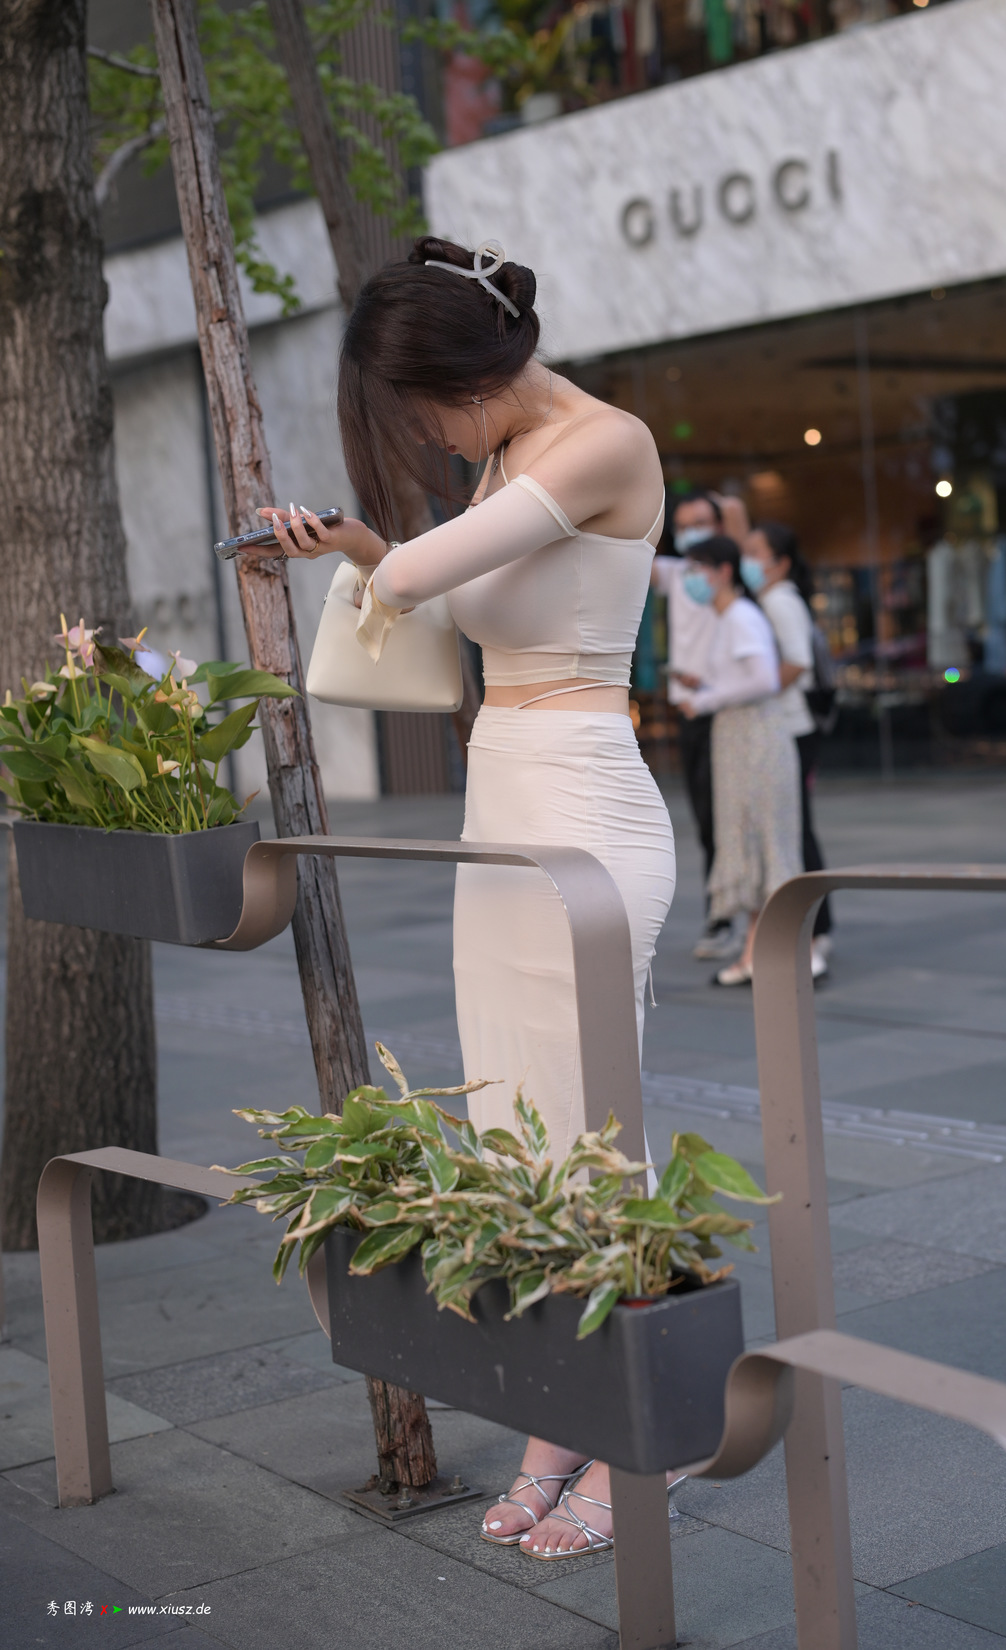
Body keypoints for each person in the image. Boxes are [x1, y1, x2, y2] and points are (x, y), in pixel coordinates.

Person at [251, 237, 676, 1558]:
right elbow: (445, 602)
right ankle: (561, 1422)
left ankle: (639, 1438)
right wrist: (354, 543)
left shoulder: (602, 443)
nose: (426, 434)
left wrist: (380, 554)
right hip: (504, 809)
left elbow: (420, 580)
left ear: (472, 375)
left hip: (586, 811)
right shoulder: (504, 460)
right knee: (516, 1130)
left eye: (424, 406)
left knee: (593, 1130)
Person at [679, 536, 801, 987]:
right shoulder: (729, 617)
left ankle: (771, 951)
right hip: (739, 739)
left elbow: (764, 679)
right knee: (750, 841)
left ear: (723, 571)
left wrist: (705, 699)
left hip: (755, 741)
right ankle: (757, 949)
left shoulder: (741, 616)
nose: (692, 580)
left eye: (699, 569)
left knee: (763, 841)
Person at [739, 522, 833, 978]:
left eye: (756, 552)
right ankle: (816, 927)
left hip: (791, 726)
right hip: (790, 725)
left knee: (794, 829)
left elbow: (798, 662)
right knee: (794, 826)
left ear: (781, 562)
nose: (749, 560)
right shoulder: (773, 598)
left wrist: (756, 693)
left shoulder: (779, 600)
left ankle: (816, 930)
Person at [652, 491, 743, 960]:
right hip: (691, 712)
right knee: (708, 820)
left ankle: (729, 917)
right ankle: (722, 913)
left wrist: (737, 513)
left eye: (702, 522)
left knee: (731, 819)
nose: (692, 533)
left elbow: (743, 545)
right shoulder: (677, 573)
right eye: (684, 525)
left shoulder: (731, 575)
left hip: (727, 710)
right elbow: (632, 555)